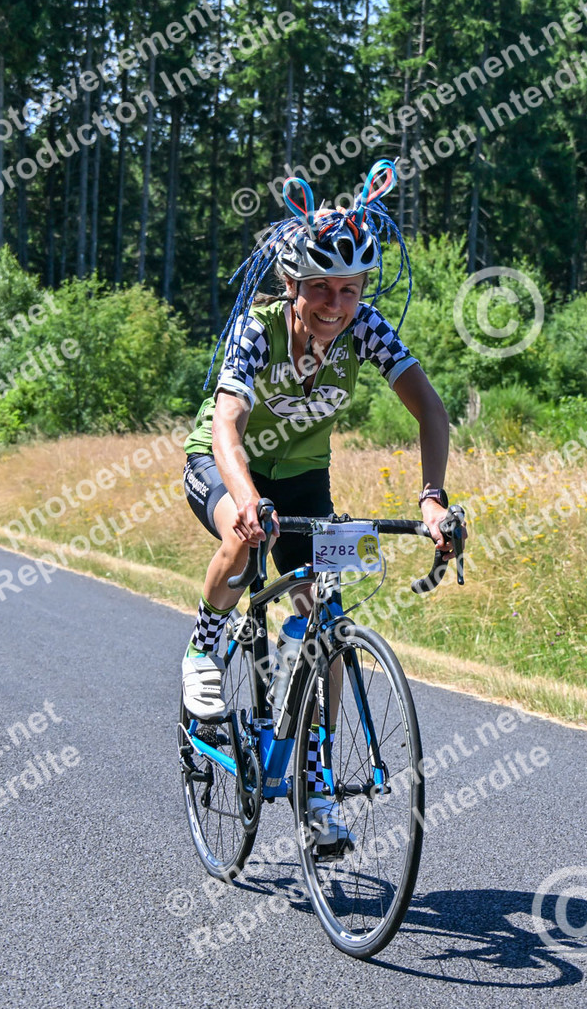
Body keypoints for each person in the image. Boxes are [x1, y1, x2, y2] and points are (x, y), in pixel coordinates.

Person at [179, 165, 451, 843]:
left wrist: (433, 500)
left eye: (349, 289)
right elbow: (227, 423)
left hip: (303, 478)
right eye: (321, 287)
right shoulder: (258, 329)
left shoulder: (366, 330)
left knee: (326, 621)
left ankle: (314, 785)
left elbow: (430, 409)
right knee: (243, 539)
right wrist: (246, 498)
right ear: (292, 285)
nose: (335, 303)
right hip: (225, 464)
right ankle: (203, 652)